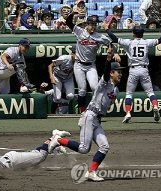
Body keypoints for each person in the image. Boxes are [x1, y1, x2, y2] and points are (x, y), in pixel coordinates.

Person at [48, 44, 125, 182]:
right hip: (89, 116)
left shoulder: (116, 90)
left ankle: (91, 172)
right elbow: (106, 72)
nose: (120, 73)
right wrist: (108, 58)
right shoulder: (104, 83)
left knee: (104, 146)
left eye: (120, 71)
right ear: (111, 73)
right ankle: (58, 140)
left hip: (97, 119)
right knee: (84, 149)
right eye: (117, 71)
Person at [103, 19, 161, 123]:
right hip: (144, 69)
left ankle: (128, 113)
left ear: (133, 34)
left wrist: (107, 30)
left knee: (129, 94)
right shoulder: (147, 42)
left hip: (133, 70)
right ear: (142, 34)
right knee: (150, 92)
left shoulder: (129, 43)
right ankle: (155, 106)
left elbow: (114, 38)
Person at [66, 14, 121, 114]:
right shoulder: (79, 31)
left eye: (95, 24)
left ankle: (96, 109)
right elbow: (68, 23)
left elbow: (110, 43)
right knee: (82, 89)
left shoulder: (99, 36)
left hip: (91, 65)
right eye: (91, 24)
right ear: (86, 24)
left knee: (95, 88)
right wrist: (73, 13)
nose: (94, 27)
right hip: (79, 65)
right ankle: (82, 112)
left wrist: (115, 52)